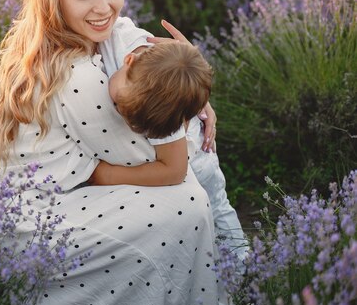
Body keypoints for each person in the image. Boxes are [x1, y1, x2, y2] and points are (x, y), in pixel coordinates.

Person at [0, 0, 227, 305]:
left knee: (188, 198)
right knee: (187, 204)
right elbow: (157, 164)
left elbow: (130, 36)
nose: (103, 7)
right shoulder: (77, 76)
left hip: (30, 196)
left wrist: (189, 83)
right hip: (27, 222)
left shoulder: (65, 33)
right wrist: (183, 110)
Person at [99, 17, 249, 265]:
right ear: (129, 60)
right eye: (118, 104)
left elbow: (175, 170)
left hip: (199, 159)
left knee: (216, 209)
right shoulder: (122, 39)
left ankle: (242, 265)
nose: (120, 114)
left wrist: (110, 176)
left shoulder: (159, 103)